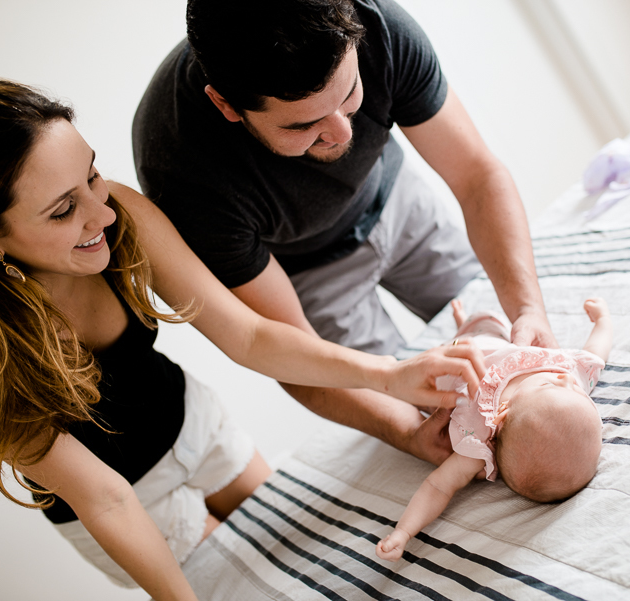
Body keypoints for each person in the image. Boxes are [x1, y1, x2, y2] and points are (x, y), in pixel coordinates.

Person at [0, 78, 489, 600]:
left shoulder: (117, 211)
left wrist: (386, 373)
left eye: (93, 174)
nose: (101, 214)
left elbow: (250, 335)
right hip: (122, 500)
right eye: (61, 210)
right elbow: (104, 498)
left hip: (193, 425)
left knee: (320, 550)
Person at [132, 0, 557, 468]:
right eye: (304, 124)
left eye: (349, 94)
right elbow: (286, 353)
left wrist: (528, 307)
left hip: (398, 199)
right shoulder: (182, 170)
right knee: (438, 417)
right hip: (305, 276)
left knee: (508, 341)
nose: (340, 133)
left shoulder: (379, 24)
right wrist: (407, 432)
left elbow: (478, 178)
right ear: (226, 105)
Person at [376, 298, 612, 562]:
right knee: (489, 323)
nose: (566, 379)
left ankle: (415, 352)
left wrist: (403, 532)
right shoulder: (570, 381)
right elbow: (595, 354)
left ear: (502, 415)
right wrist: (602, 321)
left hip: (441, 370)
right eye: (580, 392)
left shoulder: (476, 441)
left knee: (409, 386)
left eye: (550, 385)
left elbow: (438, 487)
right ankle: (462, 323)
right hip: (493, 341)